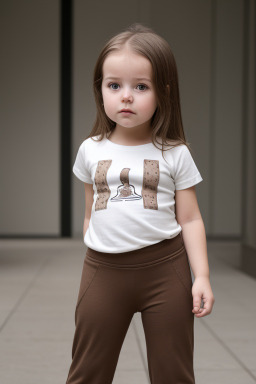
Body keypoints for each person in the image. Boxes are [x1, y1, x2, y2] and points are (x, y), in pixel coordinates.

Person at [66, 22, 215, 384]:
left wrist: (203, 277)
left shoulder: (174, 153)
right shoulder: (91, 149)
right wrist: (95, 248)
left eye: (141, 86)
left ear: (163, 92)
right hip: (103, 271)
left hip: (165, 270)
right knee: (88, 371)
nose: (126, 96)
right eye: (114, 85)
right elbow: (90, 209)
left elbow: (191, 220)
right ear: (100, 89)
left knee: (173, 372)